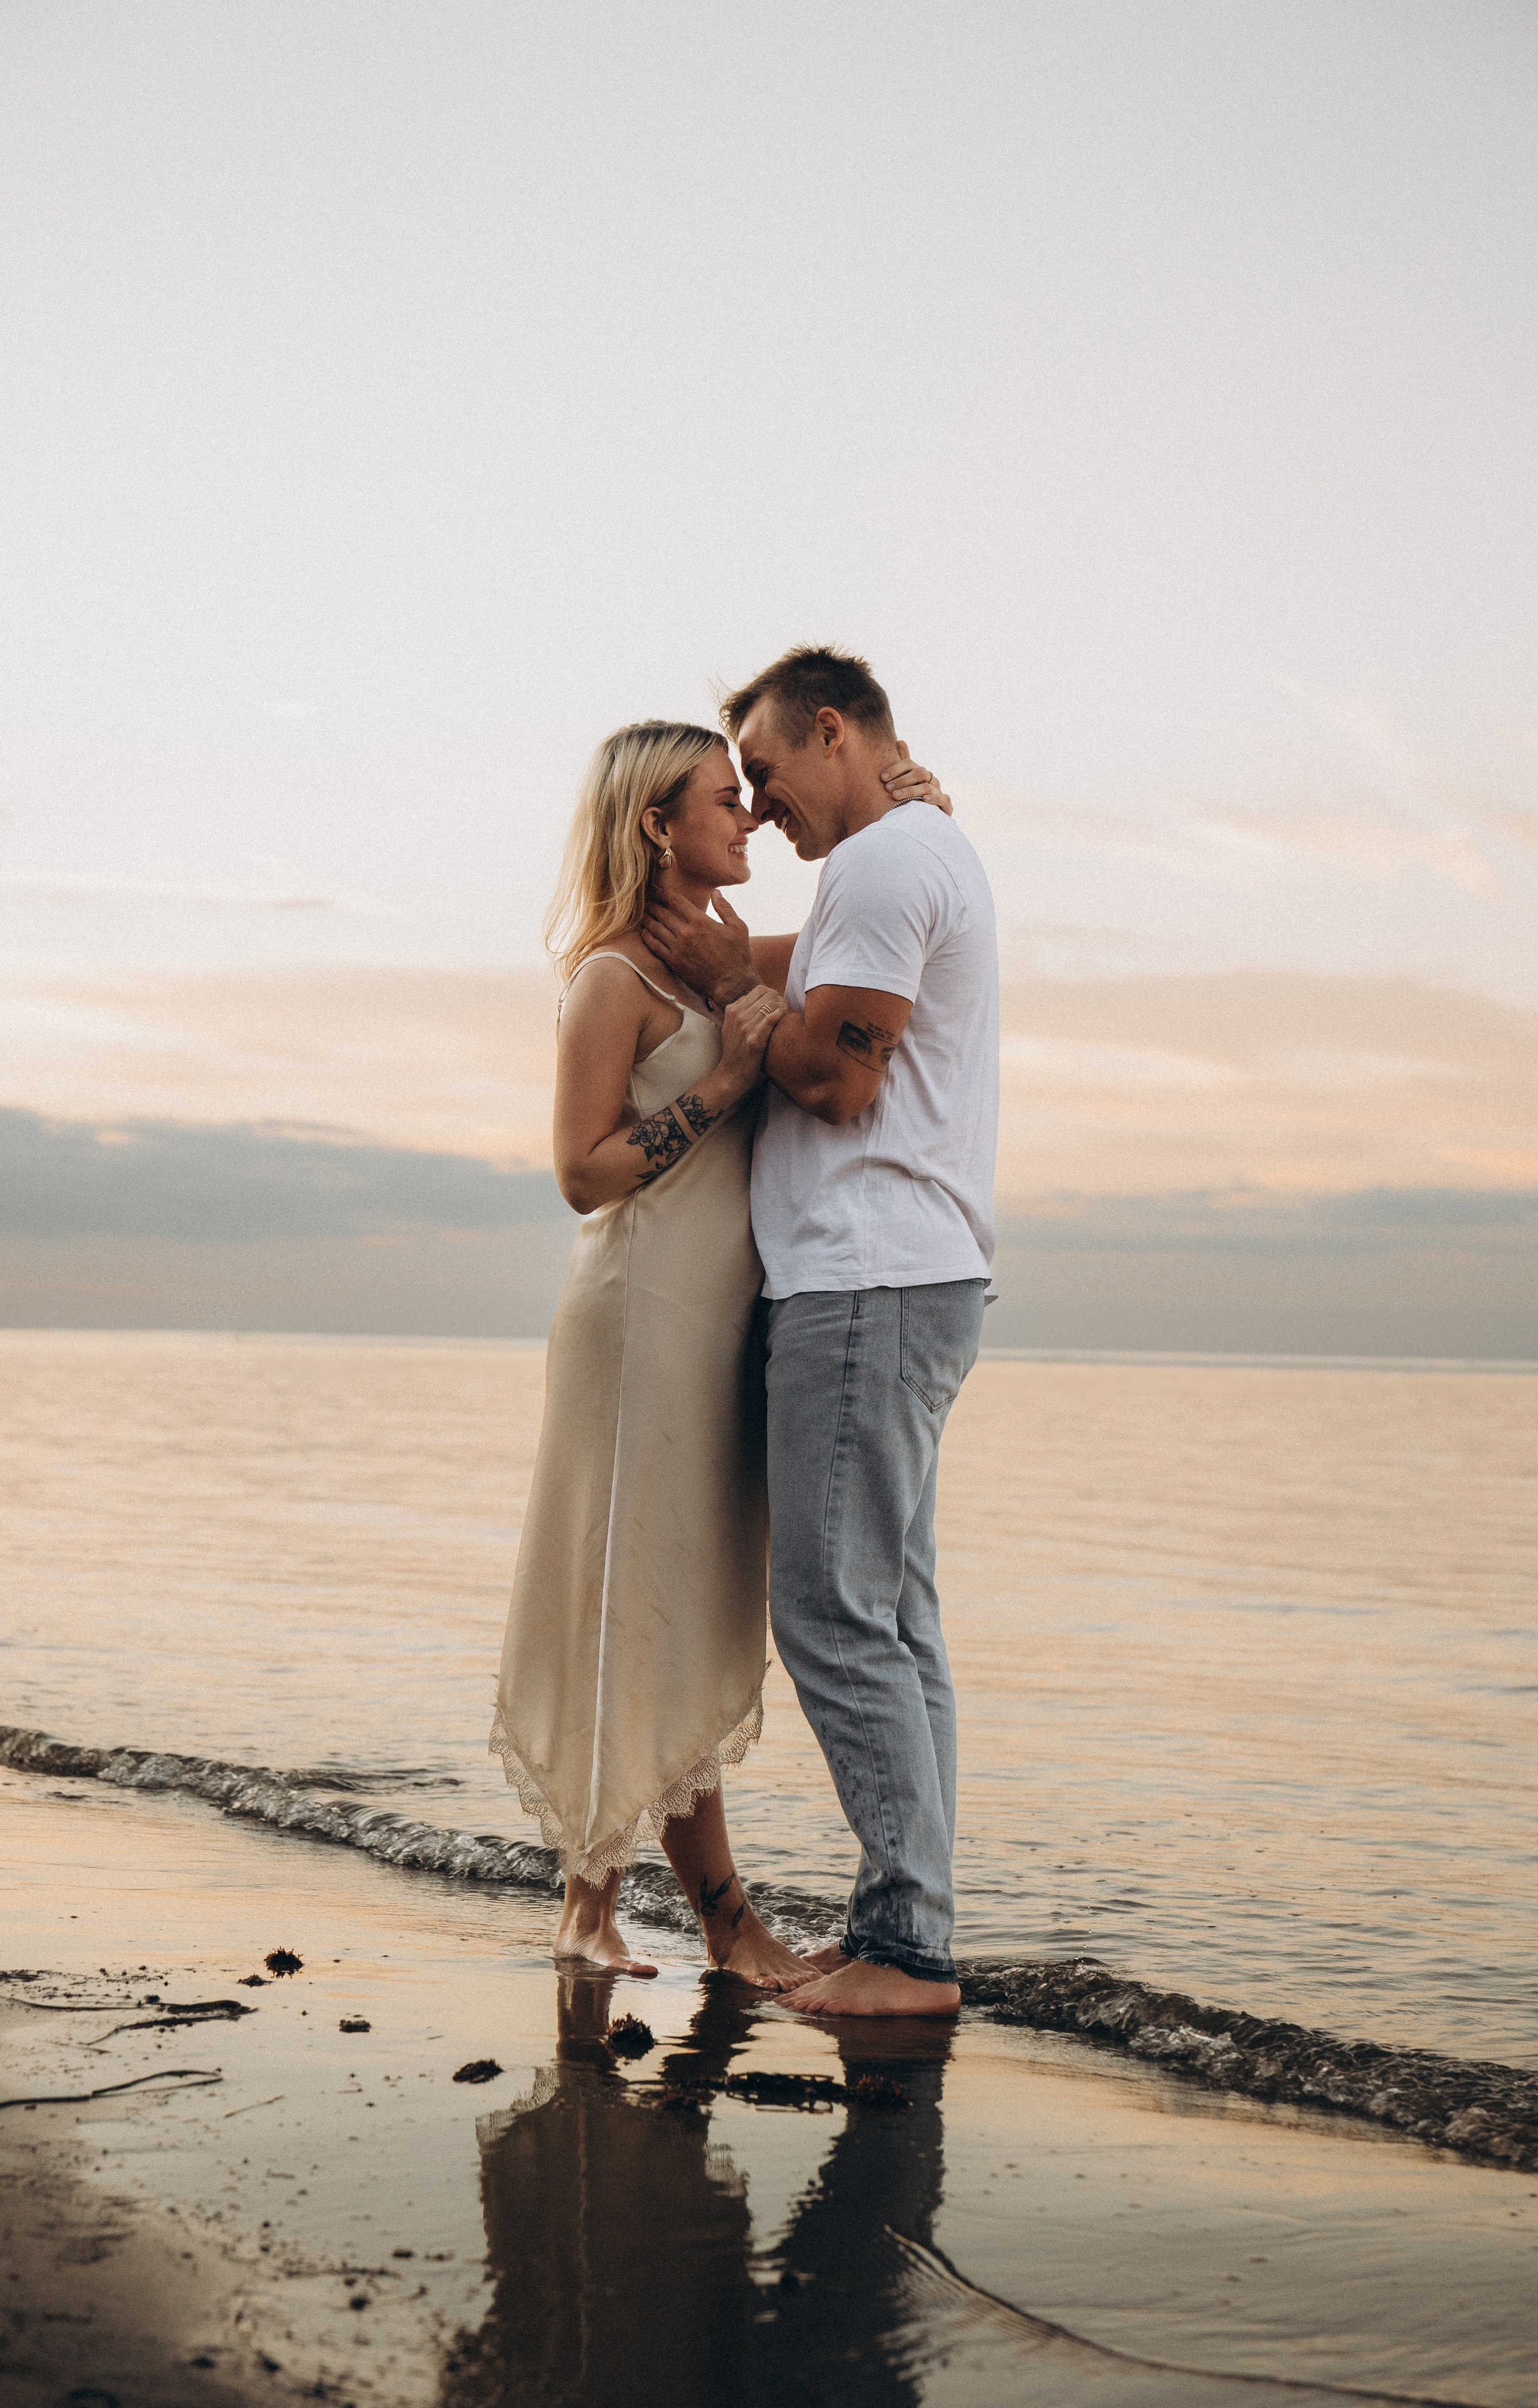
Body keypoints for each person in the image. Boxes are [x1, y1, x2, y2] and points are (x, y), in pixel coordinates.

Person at [490, 716, 944, 1985]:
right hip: (635, 1320)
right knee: (625, 1588)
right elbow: (582, 1175)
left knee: (689, 1604)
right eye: (718, 799)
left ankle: (705, 1918)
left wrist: (919, 813)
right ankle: (604, 1907)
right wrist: (721, 1089)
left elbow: (869, 956)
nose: (746, 817)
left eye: (750, 797)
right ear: (656, 825)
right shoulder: (610, 981)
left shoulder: (731, 964)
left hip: (726, 1322)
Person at [644, 647, 999, 2017]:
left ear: (833, 733)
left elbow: (840, 1084)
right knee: (893, 1622)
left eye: (768, 772)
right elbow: (830, 980)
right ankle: (906, 1932)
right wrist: (737, 959)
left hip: (863, 1278)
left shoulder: (880, 865)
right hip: (905, 1277)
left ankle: (904, 1952)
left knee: (835, 1617)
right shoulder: (908, 854)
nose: (760, 804)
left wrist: (739, 995)